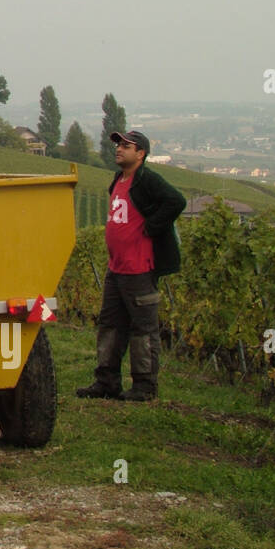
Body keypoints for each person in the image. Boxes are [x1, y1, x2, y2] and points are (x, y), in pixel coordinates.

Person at [77, 129, 185, 402]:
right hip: (117, 268)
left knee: (143, 330)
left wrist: (151, 227)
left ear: (141, 153)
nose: (119, 149)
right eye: (118, 144)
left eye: (127, 145)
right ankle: (106, 382)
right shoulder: (119, 180)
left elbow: (176, 201)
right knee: (110, 325)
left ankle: (144, 387)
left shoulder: (147, 180)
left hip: (139, 268)